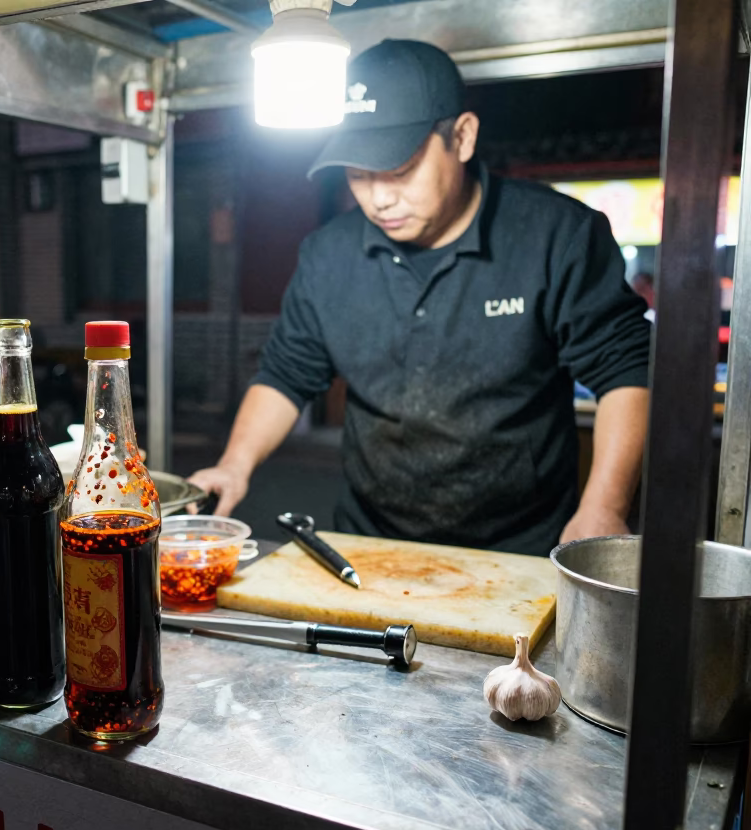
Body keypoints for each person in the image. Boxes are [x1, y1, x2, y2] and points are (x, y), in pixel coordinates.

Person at [188, 40, 651, 557]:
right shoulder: (328, 254)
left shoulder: (556, 235)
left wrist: (603, 506)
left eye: (399, 168)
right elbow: (285, 375)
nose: (379, 197)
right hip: (369, 545)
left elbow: (625, 369)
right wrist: (234, 464)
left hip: (521, 548)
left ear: (463, 136)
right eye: (358, 174)